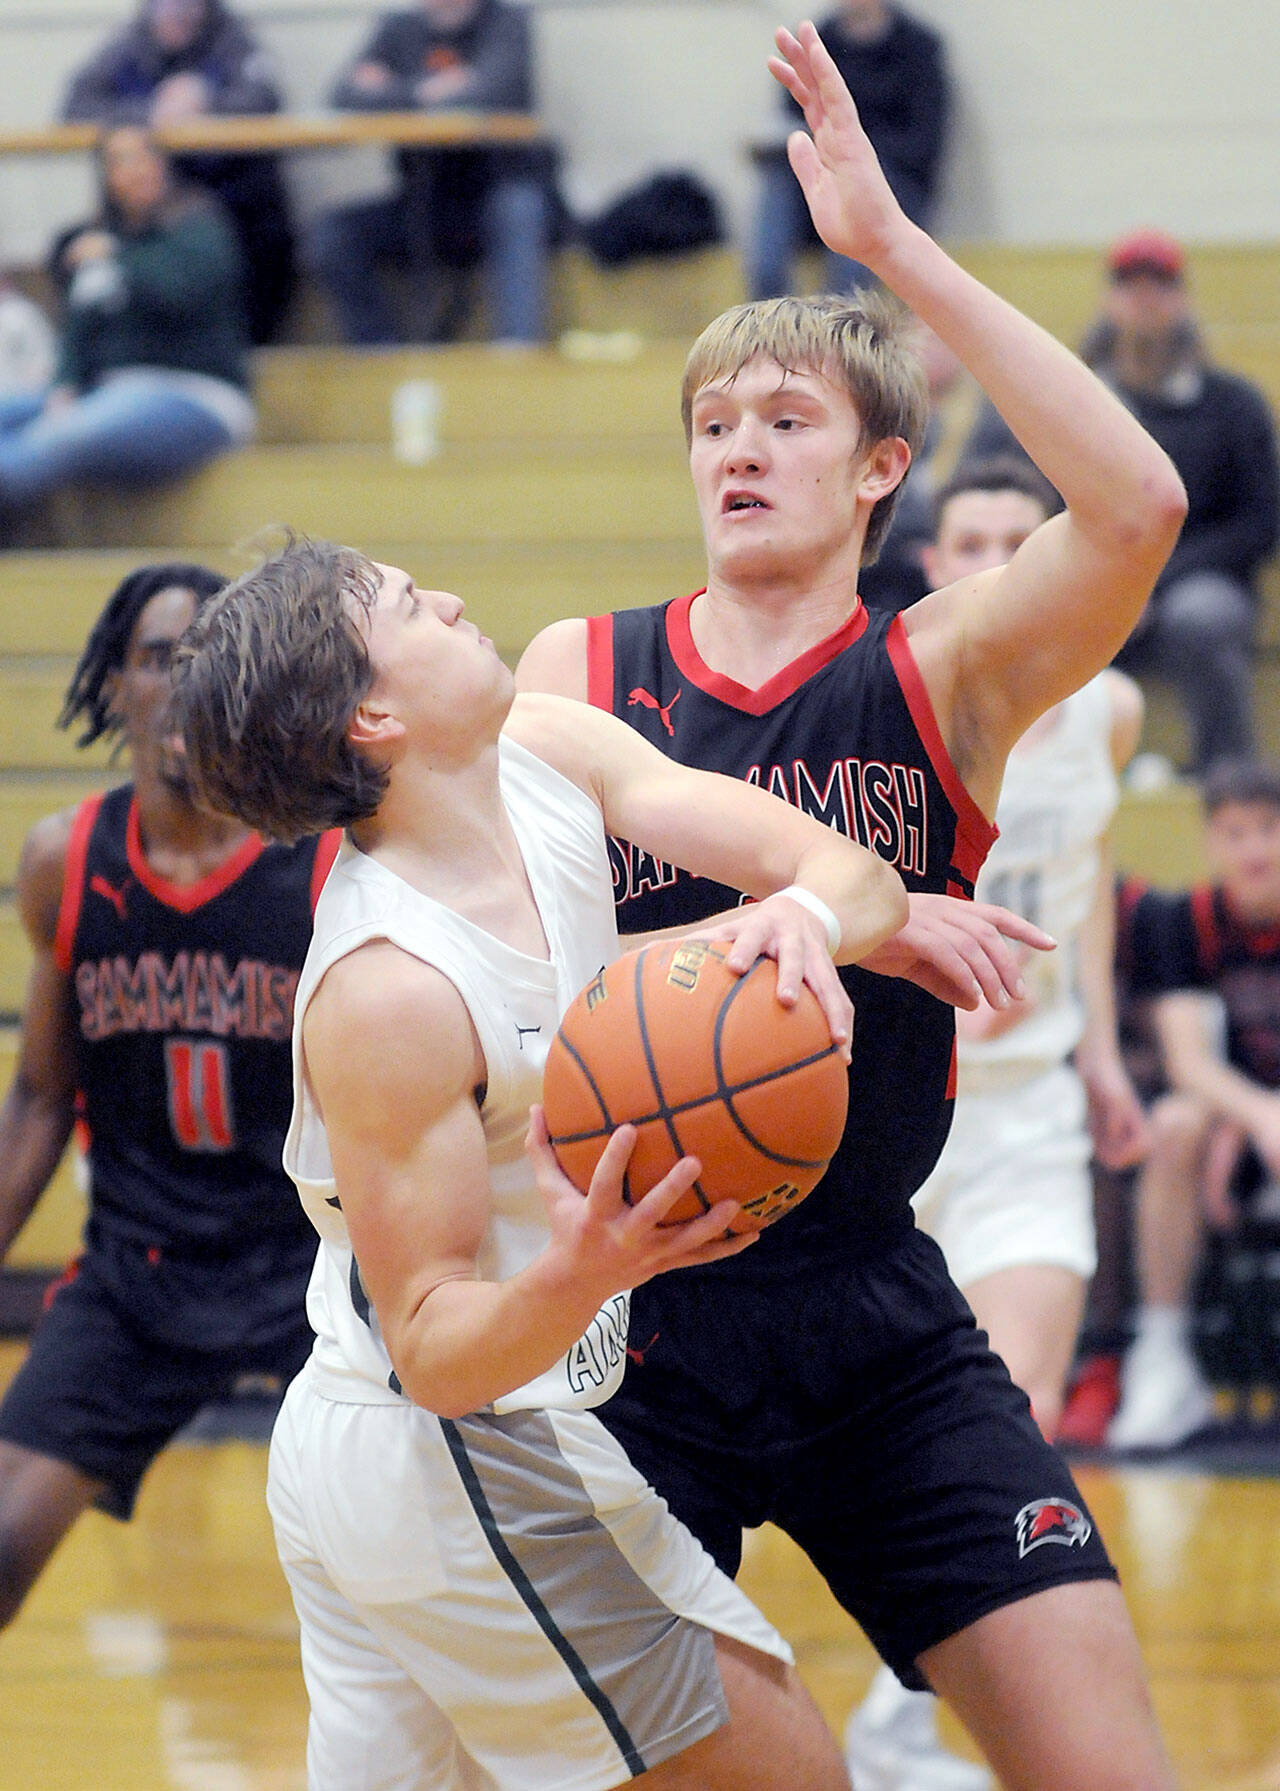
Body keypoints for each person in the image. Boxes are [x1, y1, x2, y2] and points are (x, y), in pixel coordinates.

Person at [516, 23, 1187, 1790]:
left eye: (788, 419)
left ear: (879, 470)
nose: (739, 445)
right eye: (713, 422)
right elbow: (517, 989)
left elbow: (1137, 506)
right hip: (631, 1319)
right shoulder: (577, 673)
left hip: (876, 1306)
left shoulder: (941, 666)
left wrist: (890, 252)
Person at [169, 538, 922, 1789]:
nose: (454, 596)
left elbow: (848, 873)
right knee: (789, 1770)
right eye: (412, 603)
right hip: (449, 1446)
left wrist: (805, 919)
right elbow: (433, 1343)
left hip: (415, 1440)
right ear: (375, 712)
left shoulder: (554, 757)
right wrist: (588, 1270)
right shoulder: (390, 991)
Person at [843, 458, 1151, 1786]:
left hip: (1027, 1109)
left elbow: (1077, 882)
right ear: (928, 555)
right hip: (904, 1120)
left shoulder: (1113, 710)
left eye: (1016, 538)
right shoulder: (884, 703)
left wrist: (1099, 1051)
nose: (987, 556)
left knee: (1014, 1408)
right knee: (892, 1428)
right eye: (966, 535)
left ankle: (910, 1703)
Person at [0, 562, 339, 1632]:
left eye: (209, 658)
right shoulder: (67, 860)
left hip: (312, 1273)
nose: (185, 682)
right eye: (158, 658)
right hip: (139, 1274)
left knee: (404, 1569)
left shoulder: (324, 864)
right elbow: (41, 1101)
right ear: (114, 688)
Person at [966, 227, 1280, 775]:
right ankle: (1013, 770)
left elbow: (1260, 522)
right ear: (1110, 300)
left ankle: (1229, 777)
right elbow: (1013, 487)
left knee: (1205, 615)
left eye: (1158, 286)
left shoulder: (1233, 405)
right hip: (1082, 576)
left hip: (1188, 587)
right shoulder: (1073, 401)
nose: (1144, 301)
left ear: (1182, 298)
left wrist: (1151, 579)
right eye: (1130, 286)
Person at [1108, 758, 1280, 1451]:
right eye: (1234, 832)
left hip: (1255, 1127)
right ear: (1211, 841)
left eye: (1268, 830)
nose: (1253, 849)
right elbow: (1187, 1062)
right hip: (1231, 1133)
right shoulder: (1184, 921)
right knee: (1177, 1121)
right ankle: (1163, 1355)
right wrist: (1257, 1117)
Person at [0, 128, 253, 532]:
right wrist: (65, 381)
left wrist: (118, 257)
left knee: (57, 437)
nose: (135, 170)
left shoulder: (200, 230)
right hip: (102, 390)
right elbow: (80, 329)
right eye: (119, 160)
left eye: (143, 156)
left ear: (163, 163)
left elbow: (179, 294)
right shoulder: (99, 241)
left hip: (192, 394)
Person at [310, 0, 552, 347]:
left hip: (492, 194)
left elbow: (492, 91)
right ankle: (381, 359)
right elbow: (343, 95)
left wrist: (392, 90)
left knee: (520, 209)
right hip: (421, 203)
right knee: (332, 234)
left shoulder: (507, 22)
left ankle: (518, 354)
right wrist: (425, 89)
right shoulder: (398, 28)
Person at [63, 0, 298, 346]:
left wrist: (206, 100)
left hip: (232, 199)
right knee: (74, 245)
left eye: (186, 11)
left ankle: (252, 347)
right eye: (165, 10)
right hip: (154, 209)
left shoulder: (229, 39)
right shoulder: (129, 43)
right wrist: (153, 110)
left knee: (260, 243)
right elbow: (75, 105)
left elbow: (266, 98)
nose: (175, 16)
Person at [746, 0, 949, 303]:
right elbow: (792, 119)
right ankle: (769, 310)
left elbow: (923, 143)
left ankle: (842, 313)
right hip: (826, 175)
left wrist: (854, 151)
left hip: (887, 181)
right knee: (781, 175)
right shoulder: (819, 40)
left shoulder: (918, 47)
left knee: (865, 183)